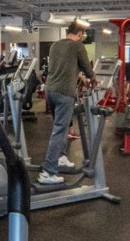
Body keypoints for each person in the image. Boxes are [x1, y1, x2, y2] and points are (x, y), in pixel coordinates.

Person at [39, 23, 94, 185]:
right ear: (80, 33)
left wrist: (79, 77)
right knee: (60, 129)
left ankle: (61, 157)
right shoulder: (78, 46)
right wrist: (93, 79)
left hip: (51, 91)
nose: (82, 37)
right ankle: (48, 172)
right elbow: (87, 68)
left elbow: (62, 68)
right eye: (82, 35)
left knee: (60, 128)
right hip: (64, 93)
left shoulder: (55, 45)